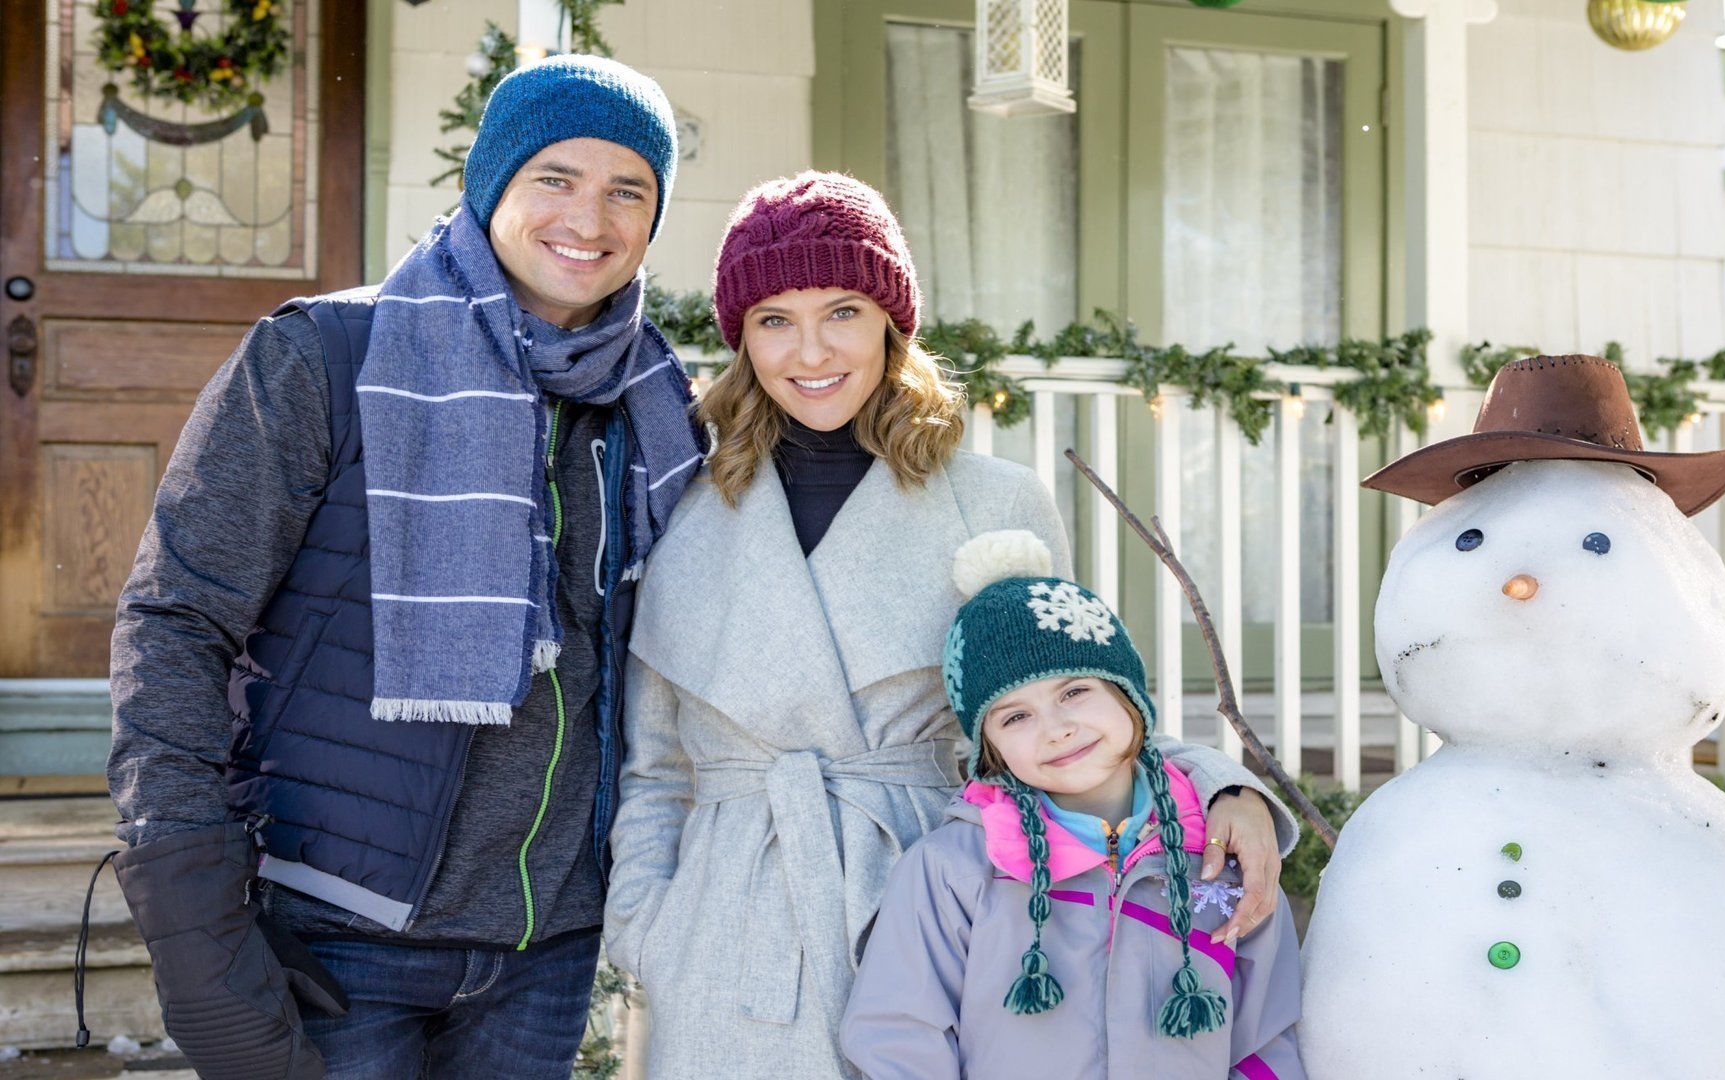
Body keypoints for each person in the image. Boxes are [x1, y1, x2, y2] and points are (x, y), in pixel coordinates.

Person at [602, 171, 1297, 1077]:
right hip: (731, 938)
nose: (810, 349)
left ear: (892, 320)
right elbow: (655, 770)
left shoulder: (995, 502)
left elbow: (1076, 707)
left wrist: (1218, 786)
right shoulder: (683, 508)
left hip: (954, 906)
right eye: (774, 319)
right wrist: (651, 930)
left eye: (842, 310)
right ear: (742, 340)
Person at [104, 55, 700, 1079]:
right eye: (555, 177)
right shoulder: (325, 356)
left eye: (627, 190)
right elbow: (175, 623)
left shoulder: (655, 407)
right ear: (492, 183)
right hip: (339, 932)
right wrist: (195, 916)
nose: (590, 219)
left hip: (545, 948)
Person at [840, 530, 1308, 1078]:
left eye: (1074, 691)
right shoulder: (953, 870)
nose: (1057, 729)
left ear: (1128, 695)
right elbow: (897, 1033)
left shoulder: (1222, 859)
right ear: (991, 749)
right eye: (1015, 716)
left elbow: (1264, 1038)